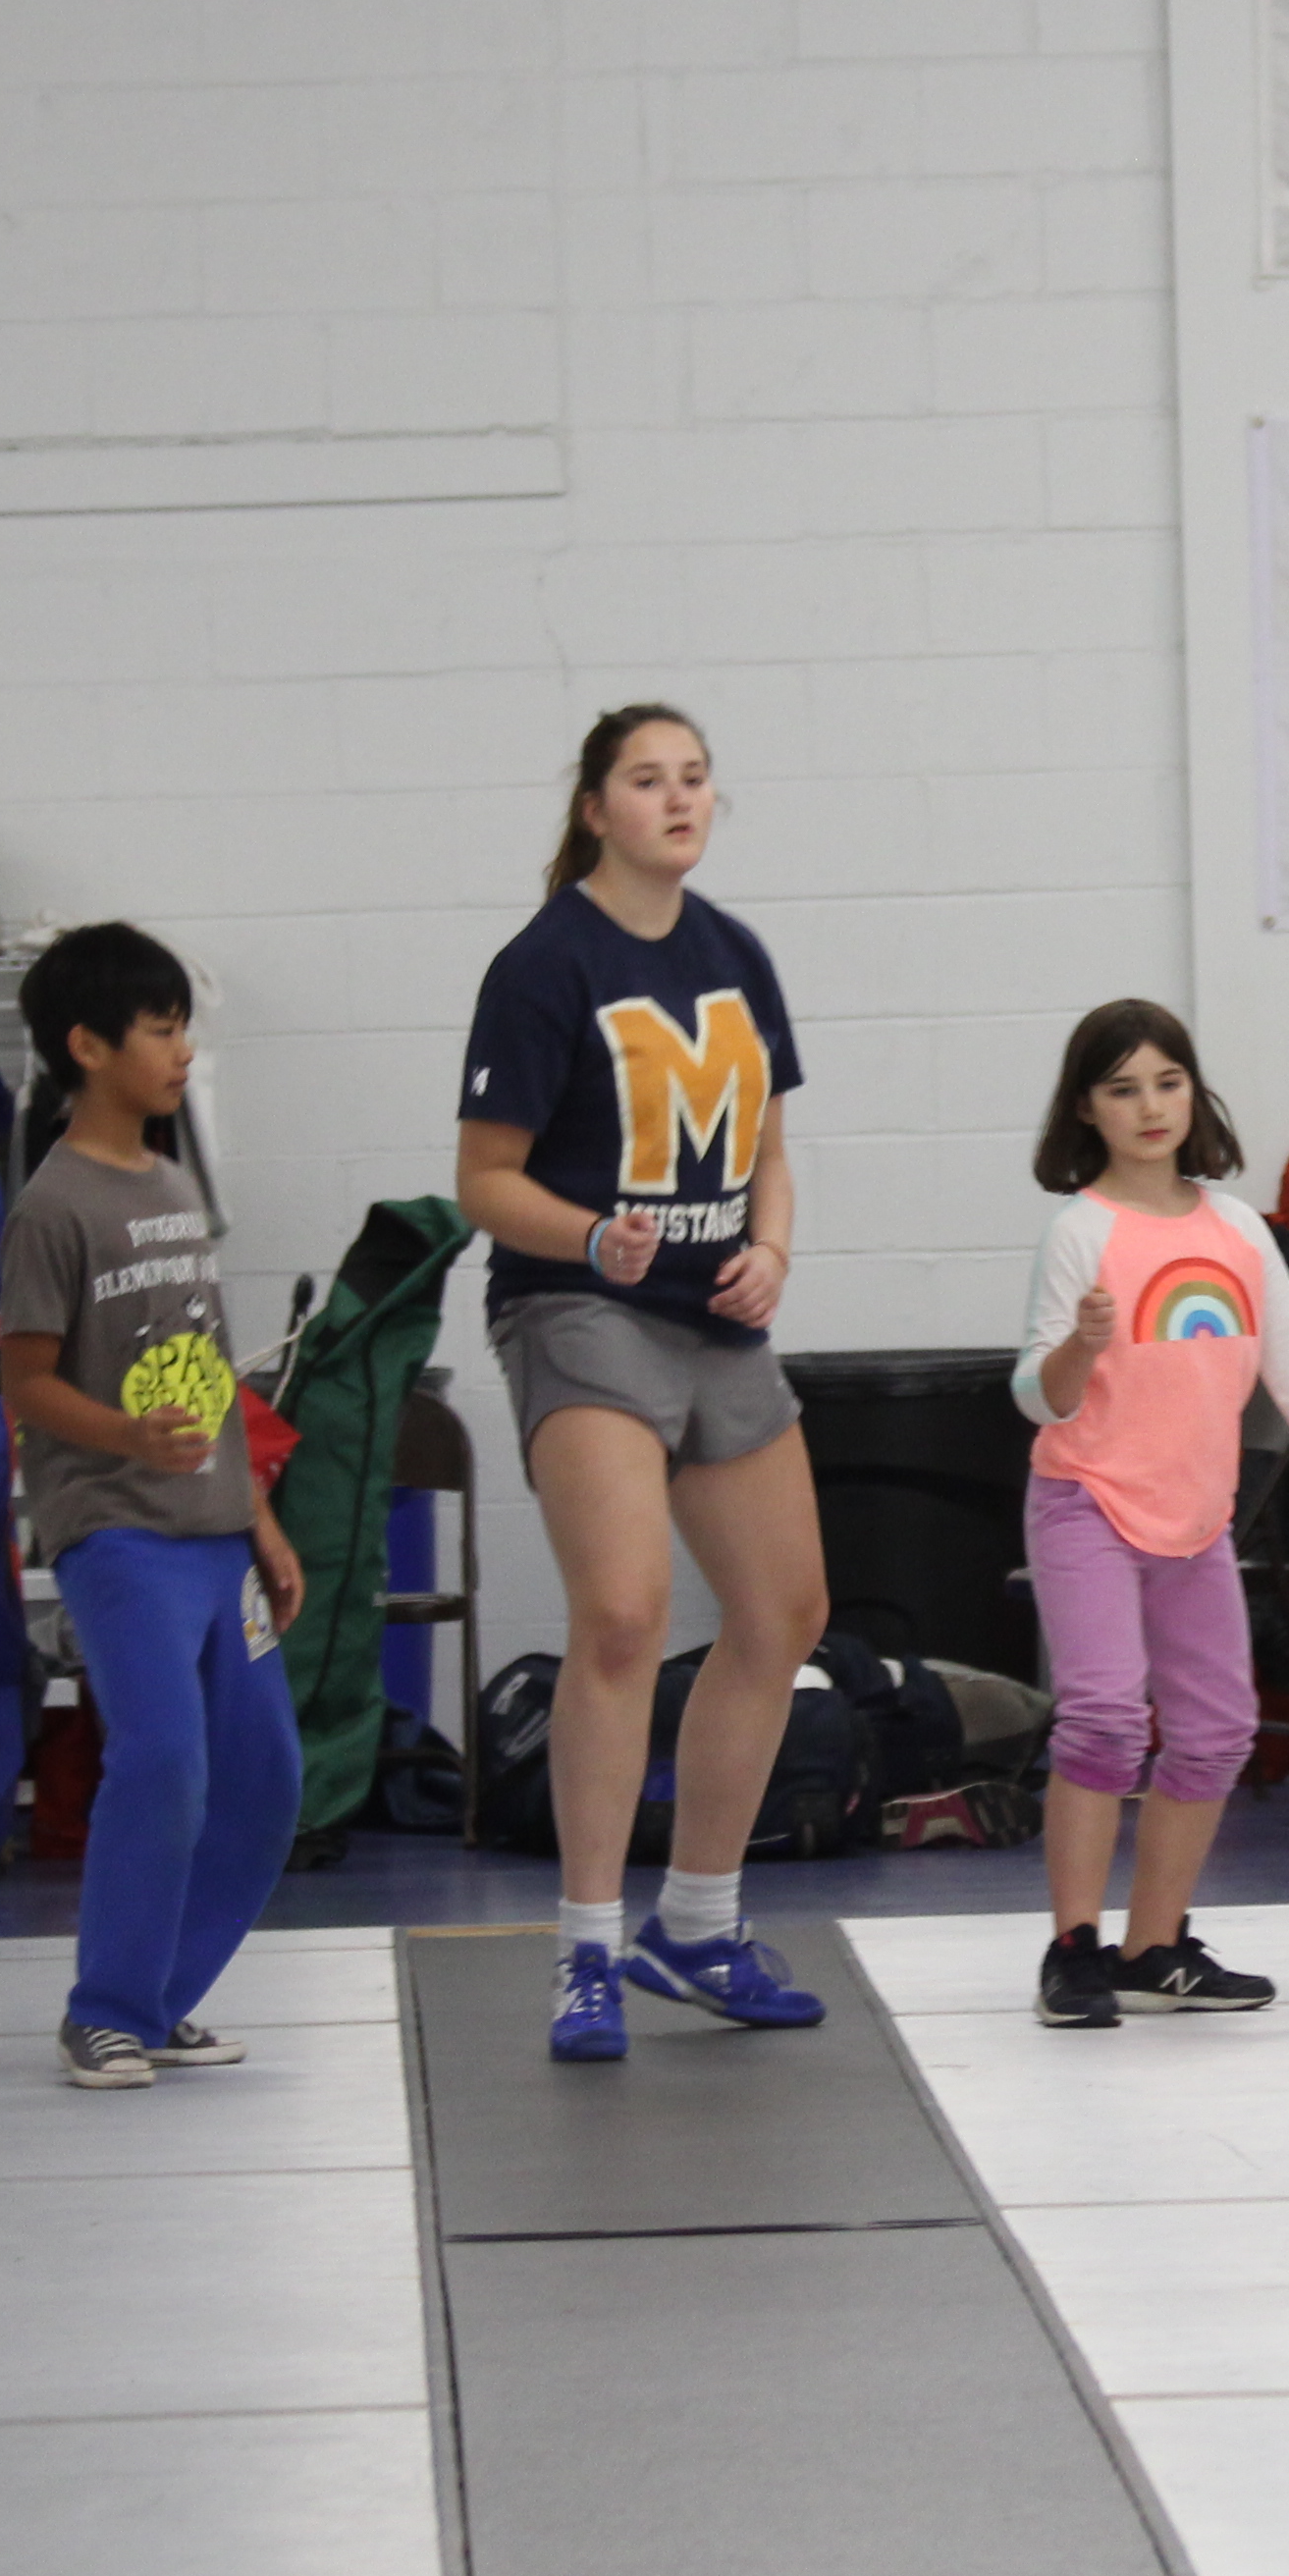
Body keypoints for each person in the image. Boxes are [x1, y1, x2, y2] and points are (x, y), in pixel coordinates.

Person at [457, 703, 836, 2061]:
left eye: (695, 779)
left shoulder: (734, 956)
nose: (679, 799)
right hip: (580, 1307)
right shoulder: (547, 965)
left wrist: (773, 1247)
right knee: (619, 1615)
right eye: (646, 780)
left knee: (784, 1611)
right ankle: (585, 1950)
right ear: (596, 809)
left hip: (715, 1314)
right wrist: (588, 1235)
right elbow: (484, 1182)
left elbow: (771, 1151)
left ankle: (700, 1920)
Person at [1013, 998, 1289, 2026]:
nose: (1149, 1106)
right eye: (1122, 1089)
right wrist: (1081, 1342)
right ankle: (1073, 1950)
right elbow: (1038, 1393)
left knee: (1216, 1734)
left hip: (1194, 1524)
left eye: (1166, 1081)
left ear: (1194, 1095)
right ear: (1087, 1112)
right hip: (1088, 1504)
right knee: (1107, 1719)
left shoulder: (1239, 1232)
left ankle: (1155, 1945)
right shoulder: (1081, 1234)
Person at [2, 923, 306, 2089]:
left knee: (268, 1774)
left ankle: (162, 1996)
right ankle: (105, 2008)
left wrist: (258, 1516)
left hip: (214, 1535)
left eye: (184, 1026)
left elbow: (208, 1362)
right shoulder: (51, 1207)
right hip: (117, 1537)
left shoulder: (176, 1185)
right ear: (88, 1046)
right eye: (161, 1028)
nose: (182, 1050)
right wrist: (126, 1436)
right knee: (165, 1758)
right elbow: (22, 1383)